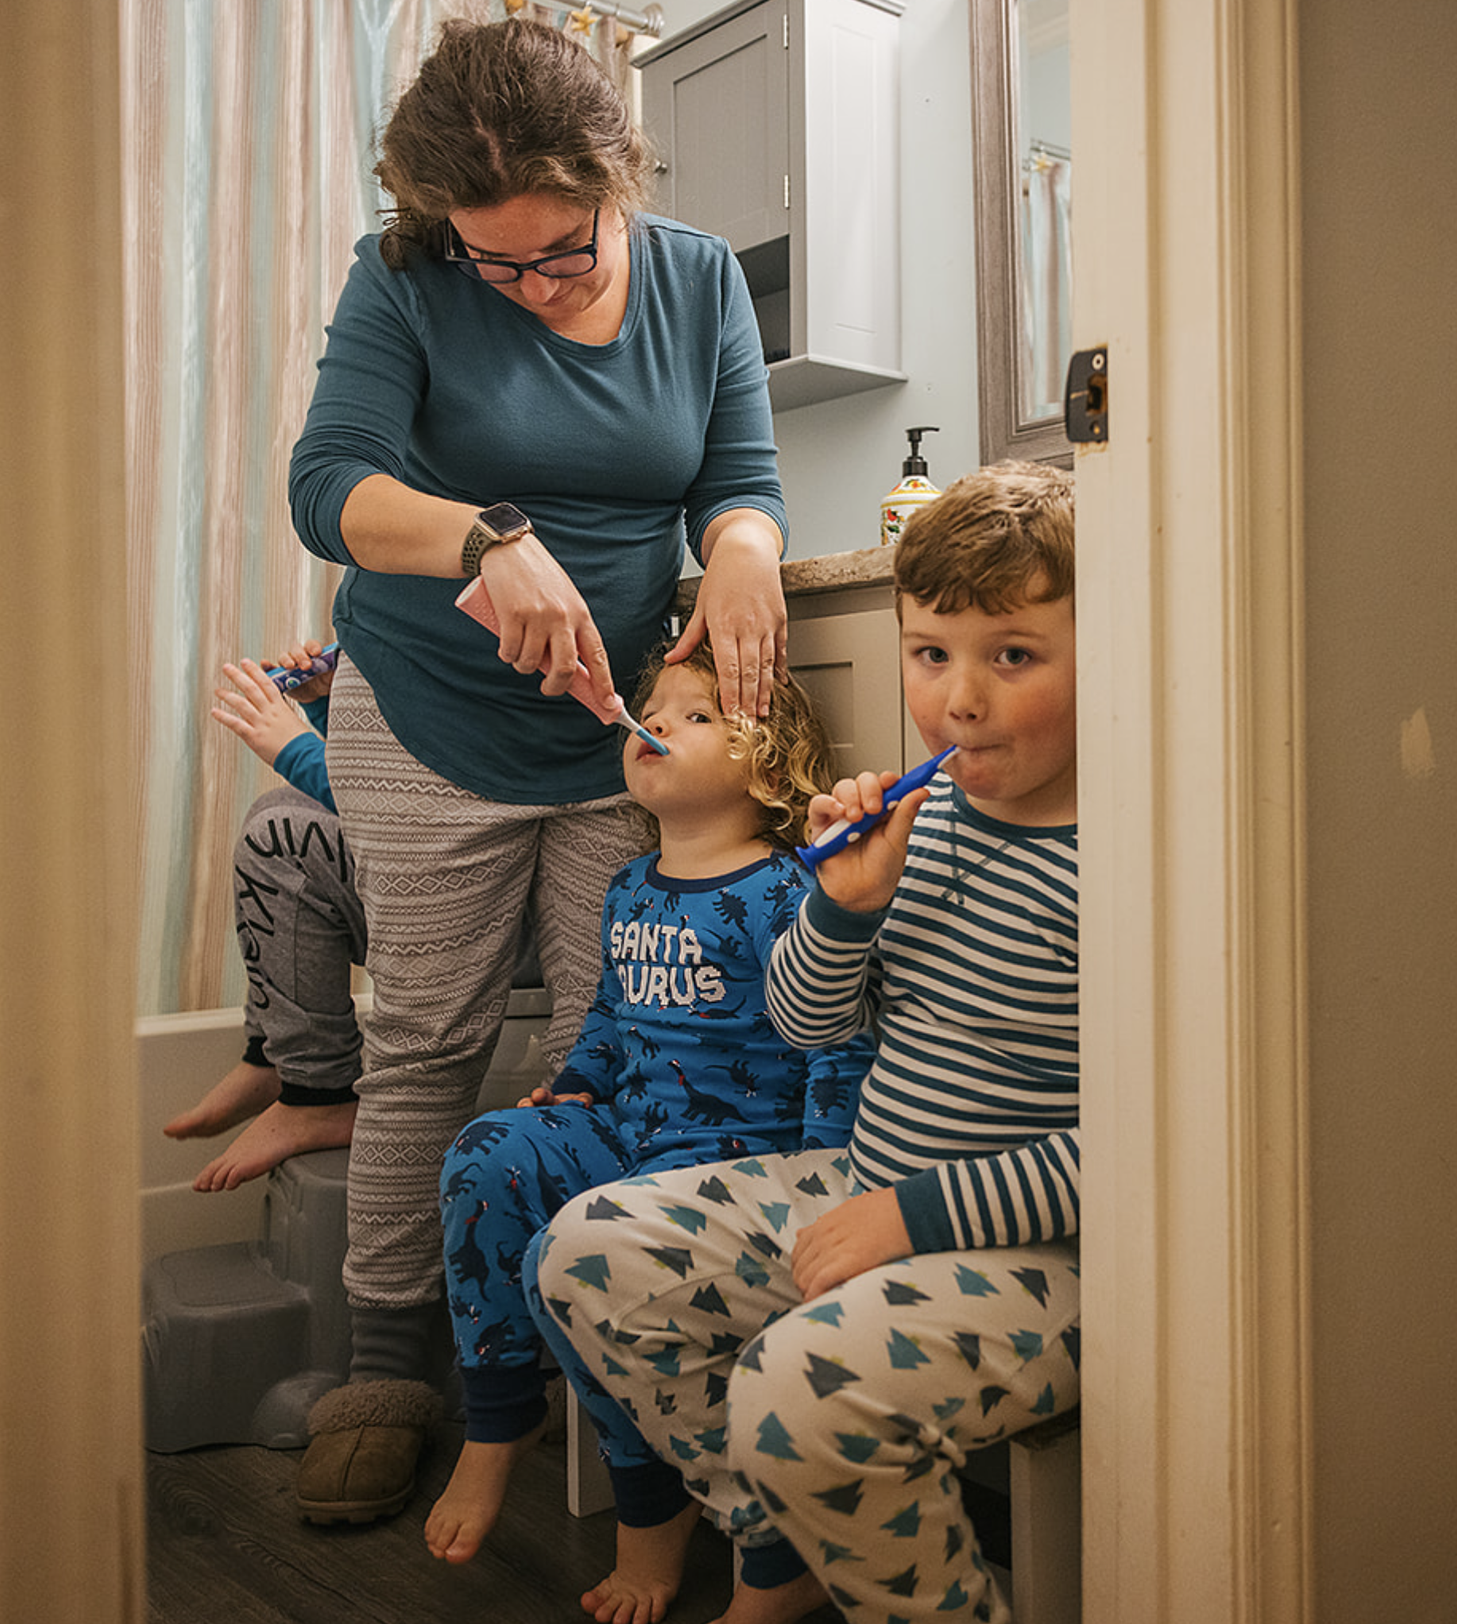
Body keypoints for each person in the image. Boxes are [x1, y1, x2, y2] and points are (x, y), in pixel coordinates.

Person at [283, 16, 793, 1524]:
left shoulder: (696, 277)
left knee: (603, 1040)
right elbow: (331, 484)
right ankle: (389, 1363)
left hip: (610, 735)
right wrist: (486, 540)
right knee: (430, 1033)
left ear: (616, 177)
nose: (530, 285)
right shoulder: (406, 279)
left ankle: (589, 1358)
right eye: (493, 263)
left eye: (559, 253)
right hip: (426, 709)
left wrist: (748, 552)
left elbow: (739, 481)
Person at [532, 462, 1081, 1624]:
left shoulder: (1121, 856)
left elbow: (1140, 1143)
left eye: (1013, 655)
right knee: (585, 1249)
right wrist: (842, 906)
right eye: (931, 653)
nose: (960, 699)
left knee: (798, 1389)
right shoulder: (926, 826)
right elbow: (806, 1021)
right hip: (865, 1182)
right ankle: (773, 1528)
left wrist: (915, 1217)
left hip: (1057, 1256)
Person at [424, 644, 872, 1621]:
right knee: (484, 1155)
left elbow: (835, 1038)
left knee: (562, 1261)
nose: (652, 723)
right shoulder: (629, 887)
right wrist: (578, 1083)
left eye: (692, 714)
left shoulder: (788, 890)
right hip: (628, 1135)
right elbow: (614, 1019)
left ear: (763, 764)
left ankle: (651, 1520)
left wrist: (832, 1179)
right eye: (648, 709)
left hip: (739, 1170)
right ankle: (497, 1418)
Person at [162, 641, 365, 1191]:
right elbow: (399, 779)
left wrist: (297, 749)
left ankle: (321, 1095)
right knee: (278, 811)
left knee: (281, 840)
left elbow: (429, 811)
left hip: (501, 908)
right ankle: (274, 1057)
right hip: (462, 871)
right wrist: (325, 706)